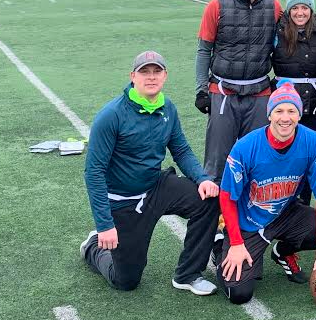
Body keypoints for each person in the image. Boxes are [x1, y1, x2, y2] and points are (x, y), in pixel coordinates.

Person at [81, 51, 220, 296]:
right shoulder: (111, 115)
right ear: (133, 76)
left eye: (157, 71)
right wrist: (104, 225)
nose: (151, 77)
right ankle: (93, 246)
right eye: (145, 71)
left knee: (208, 199)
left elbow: (181, 150)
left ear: (165, 76)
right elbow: (94, 172)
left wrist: (202, 179)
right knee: (126, 281)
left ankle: (188, 274)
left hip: (155, 187)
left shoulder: (167, 108)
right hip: (123, 200)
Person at [217, 80, 316, 303]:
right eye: (279, 111)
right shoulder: (247, 147)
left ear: (300, 114)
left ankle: (283, 251)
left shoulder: (312, 142)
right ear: (269, 114)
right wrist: (236, 243)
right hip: (249, 221)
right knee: (239, 294)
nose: (285, 118)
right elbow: (227, 197)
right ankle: (220, 245)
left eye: (292, 111)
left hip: (285, 212)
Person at [195, 0, 282, 182]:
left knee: (258, 160)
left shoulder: (274, 7)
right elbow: (204, 51)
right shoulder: (217, 6)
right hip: (223, 93)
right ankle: (213, 214)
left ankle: (253, 213)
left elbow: (288, 42)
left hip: (259, 94)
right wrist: (201, 90)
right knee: (217, 163)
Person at [273, 0, 316, 204]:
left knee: (307, 157)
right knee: (283, 158)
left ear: (311, 9)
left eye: (304, 7)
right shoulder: (277, 31)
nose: (300, 12)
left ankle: (303, 207)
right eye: (295, 7)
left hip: (313, 106)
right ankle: (280, 206)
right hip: (284, 107)